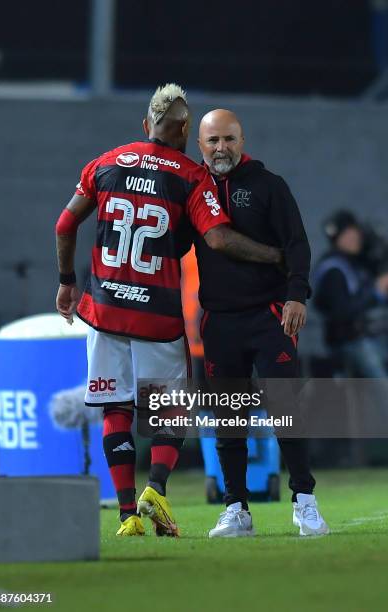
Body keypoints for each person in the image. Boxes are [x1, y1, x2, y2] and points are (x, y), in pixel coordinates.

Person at [55, 86, 282, 537]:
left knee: (114, 407)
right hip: (156, 315)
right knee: (172, 411)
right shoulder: (190, 175)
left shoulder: (105, 163)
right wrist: (276, 255)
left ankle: (126, 517)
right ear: (183, 129)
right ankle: (155, 489)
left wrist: (66, 281)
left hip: (103, 308)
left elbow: (64, 225)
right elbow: (218, 239)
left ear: (145, 125)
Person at [195, 109, 329, 537]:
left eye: (229, 139)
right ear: (200, 145)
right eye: (213, 140)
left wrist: (295, 295)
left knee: (286, 409)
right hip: (219, 321)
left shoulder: (270, 186)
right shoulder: (191, 190)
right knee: (228, 419)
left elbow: (298, 245)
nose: (221, 148)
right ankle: (236, 508)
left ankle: (304, 501)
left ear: (242, 140)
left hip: (270, 315)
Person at [314, 210, 388, 376]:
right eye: (346, 235)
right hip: (351, 342)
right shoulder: (334, 269)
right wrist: (376, 291)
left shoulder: (357, 263)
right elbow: (341, 312)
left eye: (353, 233)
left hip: (368, 337)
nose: (353, 239)